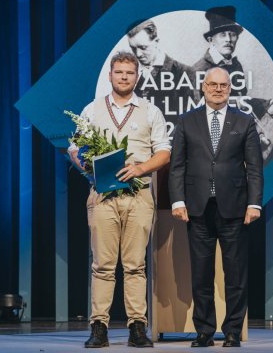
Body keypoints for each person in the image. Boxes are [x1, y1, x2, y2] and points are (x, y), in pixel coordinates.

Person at [69, 51, 171, 348]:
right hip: (103, 196)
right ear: (110, 75)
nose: (124, 77)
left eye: (129, 73)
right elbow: (75, 148)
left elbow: (164, 152)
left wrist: (140, 168)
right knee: (102, 265)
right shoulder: (92, 109)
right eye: (119, 72)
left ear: (137, 76)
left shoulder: (150, 111)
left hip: (138, 196)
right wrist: (84, 163)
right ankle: (98, 327)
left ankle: (137, 327)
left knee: (135, 265)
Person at [169, 67, 264, 348]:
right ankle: (204, 332)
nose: (218, 89)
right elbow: (177, 166)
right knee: (201, 275)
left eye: (223, 85)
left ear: (230, 89)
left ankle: (232, 331)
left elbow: (254, 168)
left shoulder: (244, 121)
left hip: (235, 209)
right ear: (204, 87)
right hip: (197, 209)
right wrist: (178, 200)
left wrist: (254, 203)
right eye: (213, 84)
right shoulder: (186, 121)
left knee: (235, 275)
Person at [127, 20, 197, 109]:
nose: (138, 54)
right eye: (133, 48)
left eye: (143, 47)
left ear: (156, 41)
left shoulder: (185, 72)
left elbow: (193, 114)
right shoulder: (131, 73)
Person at [191, 6, 245, 77]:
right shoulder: (199, 70)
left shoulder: (236, 65)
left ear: (237, 38)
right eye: (223, 35)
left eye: (233, 35)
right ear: (210, 40)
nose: (229, 39)